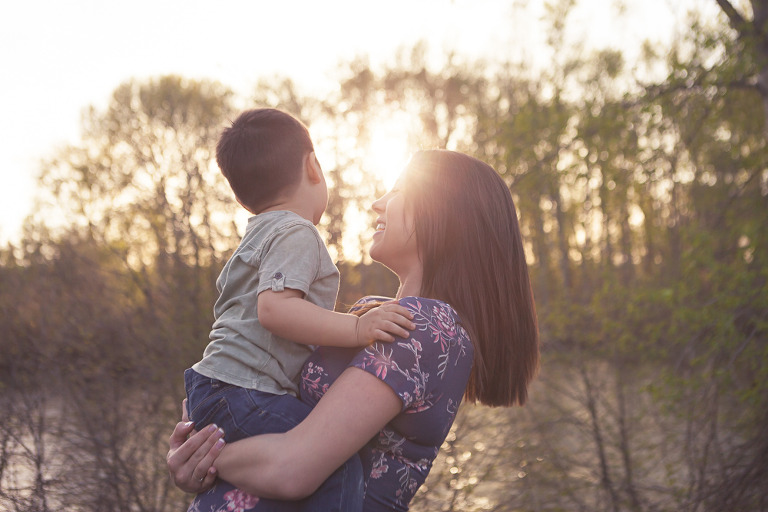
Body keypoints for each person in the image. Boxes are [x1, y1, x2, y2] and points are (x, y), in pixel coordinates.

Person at [168, 149, 540, 511]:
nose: (378, 203)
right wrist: (202, 448)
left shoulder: (426, 328)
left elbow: (292, 468)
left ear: (443, 213)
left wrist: (207, 457)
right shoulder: (375, 317)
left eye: (398, 191)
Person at [183, 108, 416, 511]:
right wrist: (357, 329)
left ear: (240, 197)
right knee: (336, 464)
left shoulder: (258, 234)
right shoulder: (296, 231)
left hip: (218, 389)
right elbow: (275, 310)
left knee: (280, 470)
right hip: (244, 392)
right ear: (313, 165)